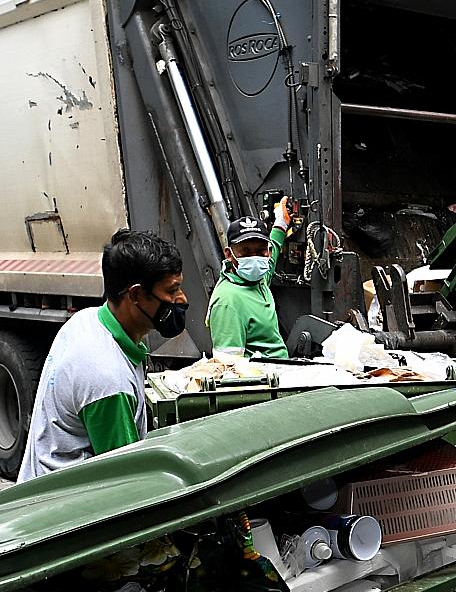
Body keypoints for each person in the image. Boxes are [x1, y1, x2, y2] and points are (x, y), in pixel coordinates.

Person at [17, 229, 187, 482]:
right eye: (171, 291)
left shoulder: (86, 320)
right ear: (136, 295)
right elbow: (126, 482)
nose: (181, 299)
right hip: (72, 510)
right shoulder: (107, 380)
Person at [208, 199, 292, 358]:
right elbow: (228, 366)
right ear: (228, 254)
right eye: (245, 252)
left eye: (260, 252)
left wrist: (281, 223)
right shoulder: (228, 302)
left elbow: (271, 253)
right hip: (263, 379)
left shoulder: (257, 281)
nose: (254, 259)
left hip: (281, 371)